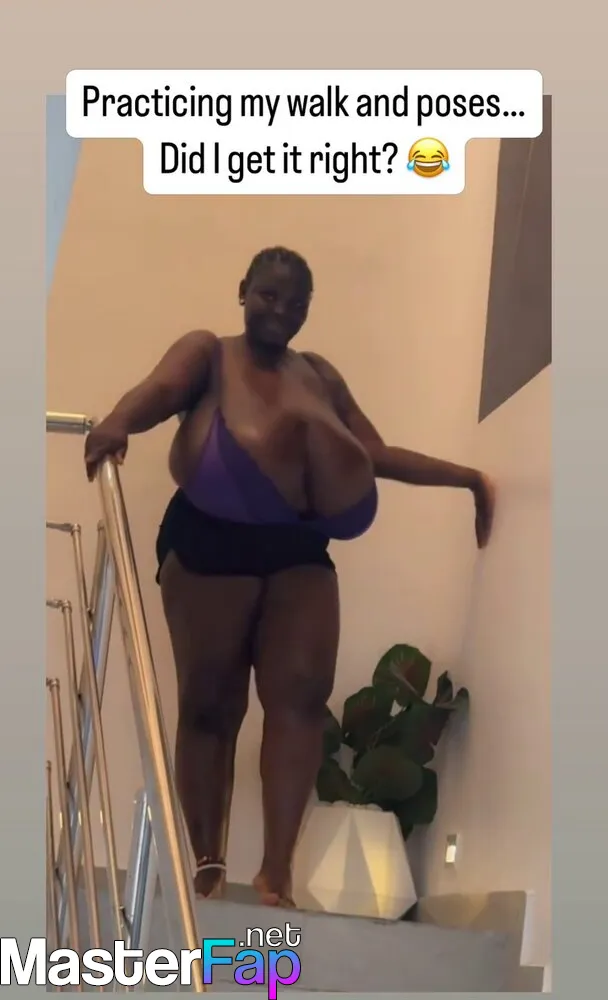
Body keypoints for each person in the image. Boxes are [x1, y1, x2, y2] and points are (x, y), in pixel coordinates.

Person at [84, 246, 495, 907]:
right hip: (209, 539)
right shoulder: (207, 352)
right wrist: (116, 423)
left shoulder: (320, 375)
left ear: (308, 310)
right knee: (211, 704)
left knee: (301, 698)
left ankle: (276, 872)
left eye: (296, 302)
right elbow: (159, 392)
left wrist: (466, 478)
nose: (281, 309)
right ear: (243, 290)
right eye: (269, 295)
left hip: (299, 547)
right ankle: (208, 860)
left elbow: (371, 453)